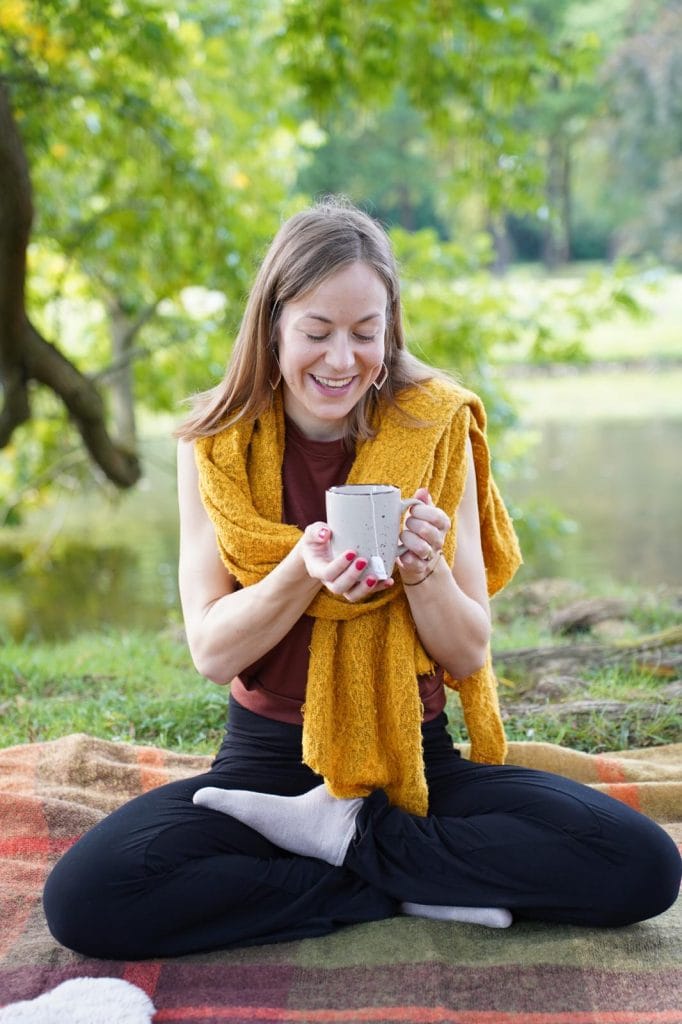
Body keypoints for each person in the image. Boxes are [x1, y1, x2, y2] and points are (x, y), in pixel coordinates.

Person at [43, 199, 680, 959]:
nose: (341, 360)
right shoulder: (216, 445)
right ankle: (413, 878)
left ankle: (348, 845)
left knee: (643, 867)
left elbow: (470, 651)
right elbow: (213, 652)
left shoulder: (436, 428)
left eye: (365, 333)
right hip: (270, 766)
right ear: (273, 324)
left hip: (415, 760)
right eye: (317, 332)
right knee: (87, 899)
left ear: (391, 328)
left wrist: (425, 573)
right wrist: (300, 575)